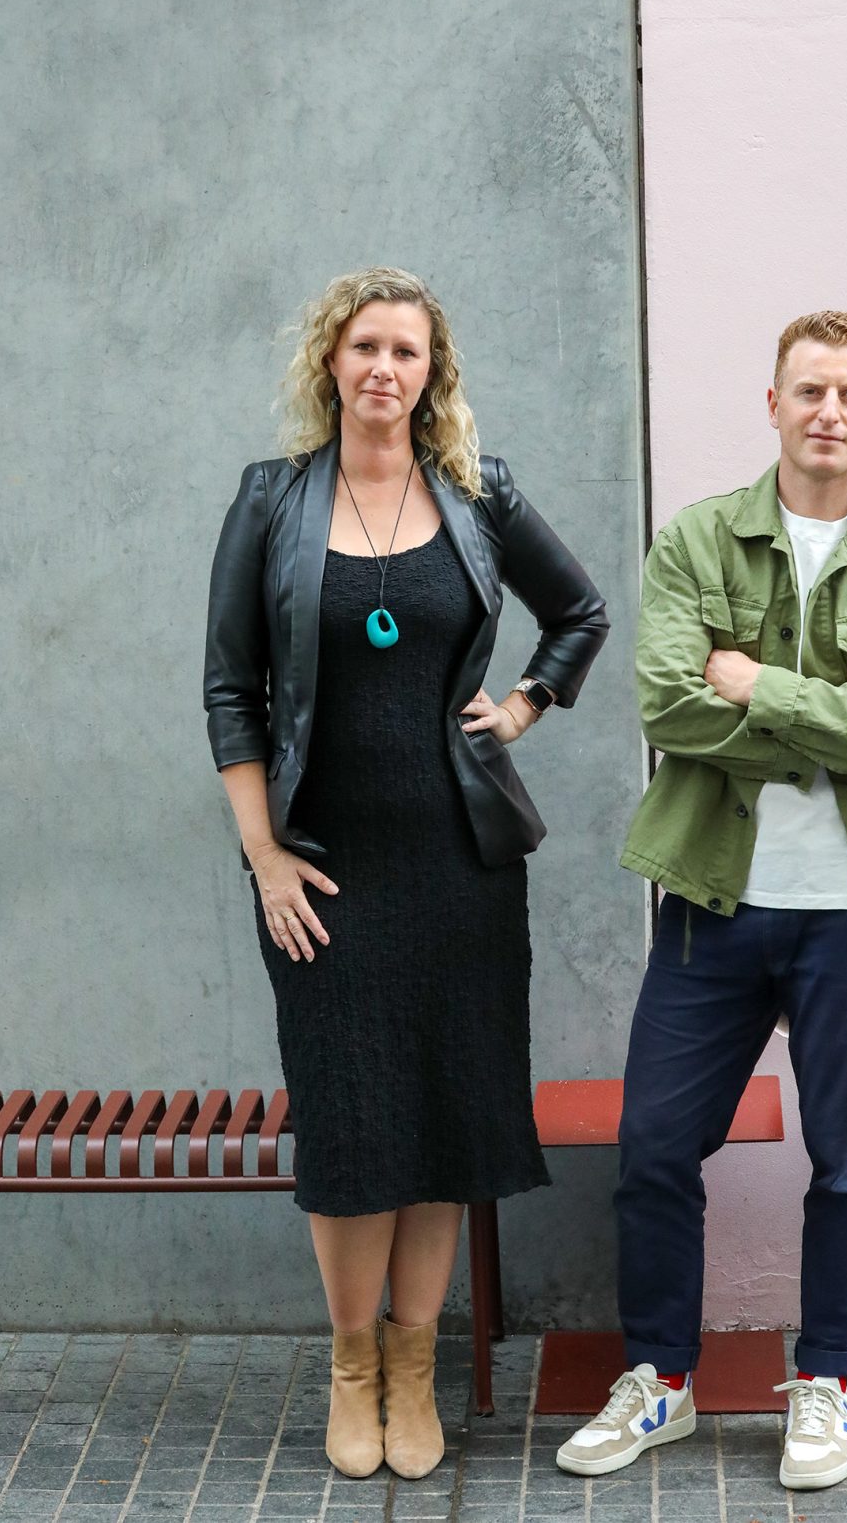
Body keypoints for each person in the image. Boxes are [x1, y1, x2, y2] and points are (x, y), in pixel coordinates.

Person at [203, 267, 609, 1480]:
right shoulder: (272, 501)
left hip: (459, 865)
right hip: (323, 869)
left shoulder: (478, 496)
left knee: (440, 1120)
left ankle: (416, 1364)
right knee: (348, 1123)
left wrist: (527, 707)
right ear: (331, 361)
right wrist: (264, 853)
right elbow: (232, 689)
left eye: (409, 353)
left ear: (435, 374)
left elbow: (579, 610)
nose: (386, 369)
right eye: (366, 347)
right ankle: (351, 1365)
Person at [558, 310, 847, 1491]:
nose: (827, 412)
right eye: (808, 391)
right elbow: (668, 711)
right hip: (714, 903)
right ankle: (660, 1381)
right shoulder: (697, 543)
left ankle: (827, 1384)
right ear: (772, 403)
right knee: (652, 1148)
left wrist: (762, 686)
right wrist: (838, 704)